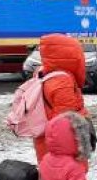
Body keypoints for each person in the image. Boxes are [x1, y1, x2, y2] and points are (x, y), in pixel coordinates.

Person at [33, 34, 88, 164]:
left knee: (51, 177)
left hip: (47, 141)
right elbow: (65, 121)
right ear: (71, 57)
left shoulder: (43, 74)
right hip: (63, 149)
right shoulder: (63, 82)